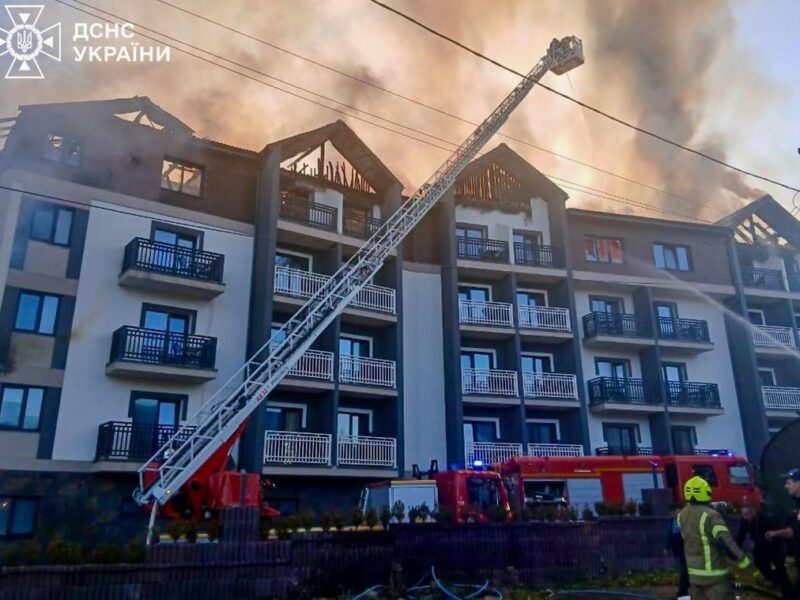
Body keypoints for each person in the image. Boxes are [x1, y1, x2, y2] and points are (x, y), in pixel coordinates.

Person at [678, 475, 751, 600]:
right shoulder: (711, 515)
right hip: (715, 577)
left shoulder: (681, 515)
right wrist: (745, 563)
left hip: (694, 576)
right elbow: (725, 542)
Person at [736, 497, 791, 598]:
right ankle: (772, 582)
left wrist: (773, 535)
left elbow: (778, 533)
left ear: (754, 511)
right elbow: (740, 537)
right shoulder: (745, 521)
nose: (746, 516)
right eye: (744, 514)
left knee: (780, 570)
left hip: (775, 547)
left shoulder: (766, 519)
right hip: (760, 548)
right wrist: (734, 550)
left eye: (748, 513)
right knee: (762, 568)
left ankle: (788, 592)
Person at [766, 468, 800, 600]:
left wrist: (775, 534)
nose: (786, 486)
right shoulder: (796, 503)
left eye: (789, 483)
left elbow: (795, 531)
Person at [666, 507, 690, 599]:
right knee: (683, 570)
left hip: (684, 549)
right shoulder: (672, 522)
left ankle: (683, 591)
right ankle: (683, 591)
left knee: (684, 570)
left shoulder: (684, 521)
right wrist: (667, 546)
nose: (675, 513)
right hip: (677, 550)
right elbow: (669, 534)